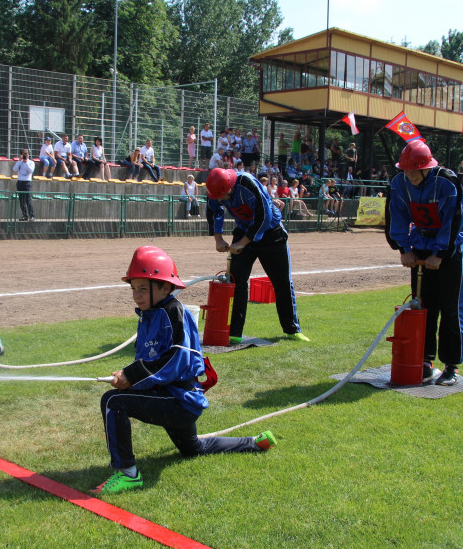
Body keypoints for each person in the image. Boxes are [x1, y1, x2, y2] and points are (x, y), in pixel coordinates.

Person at [92, 246, 276, 495]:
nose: (137, 295)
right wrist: (129, 376)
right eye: (133, 288)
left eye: (143, 288)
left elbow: (176, 358)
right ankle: (255, 442)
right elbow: (150, 360)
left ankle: (128, 474)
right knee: (193, 448)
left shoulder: (172, 312)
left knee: (113, 402)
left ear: (165, 288)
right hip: (173, 399)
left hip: (179, 401)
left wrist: (132, 375)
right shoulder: (149, 314)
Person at [385, 139, 463, 386]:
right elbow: (395, 217)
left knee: (450, 308)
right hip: (419, 245)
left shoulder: (447, 182)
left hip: (447, 251)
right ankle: (425, 360)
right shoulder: (399, 184)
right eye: (405, 170)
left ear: (425, 167)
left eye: (413, 170)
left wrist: (440, 254)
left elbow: (454, 221)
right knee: (422, 308)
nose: (408, 175)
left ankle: (451, 365)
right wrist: (403, 249)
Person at [205, 168, 308, 344]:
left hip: (271, 233)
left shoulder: (247, 183)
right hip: (244, 229)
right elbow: (214, 211)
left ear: (229, 187)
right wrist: (218, 239)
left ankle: (292, 330)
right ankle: (235, 333)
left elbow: (264, 216)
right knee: (236, 282)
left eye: (222, 196)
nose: (220, 200)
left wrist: (242, 243)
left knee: (282, 282)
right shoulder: (215, 189)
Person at [13, 149, 35, 221]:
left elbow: (31, 170)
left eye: (26, 154)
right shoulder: (19, 162)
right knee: (21, 200)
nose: (26, 156)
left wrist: (26, 163)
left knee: (28, 200)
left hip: (27, 182)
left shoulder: (31, 162)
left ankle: (32, 216)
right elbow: (14, 169)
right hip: (20, 182)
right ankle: (25, 215)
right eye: (24, 154)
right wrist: (20, 161)